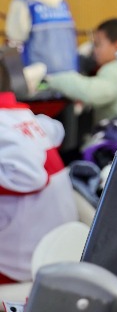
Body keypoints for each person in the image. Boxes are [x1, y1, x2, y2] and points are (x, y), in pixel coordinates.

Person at [0, 91, 78, 283]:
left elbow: (30, 177)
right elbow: (56, 131)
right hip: (53, 243)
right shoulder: (20, 116)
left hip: (21, 262)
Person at [45, 18, 117, 127]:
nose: (94, 50)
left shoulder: (114, 70)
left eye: (97, 45)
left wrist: (52, 79)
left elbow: (91, 93)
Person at [5, 0, 78, 74]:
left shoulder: (23, 1)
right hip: (70, 70)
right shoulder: (60, 1)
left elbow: (14, 40)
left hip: (39, 75)